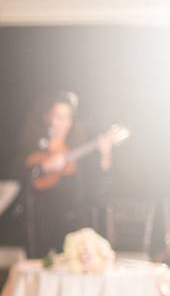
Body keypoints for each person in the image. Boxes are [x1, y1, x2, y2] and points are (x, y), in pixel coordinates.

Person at [18, 91, 113, 258]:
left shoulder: (77, 151)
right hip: (41, 227)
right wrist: (43, 167)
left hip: (73, 227)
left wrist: (105, 155)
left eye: (66, 118)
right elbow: (23, 178)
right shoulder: (34, 147)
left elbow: (98, 191)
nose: (61, 123)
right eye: (57, 117)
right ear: (46, 118)